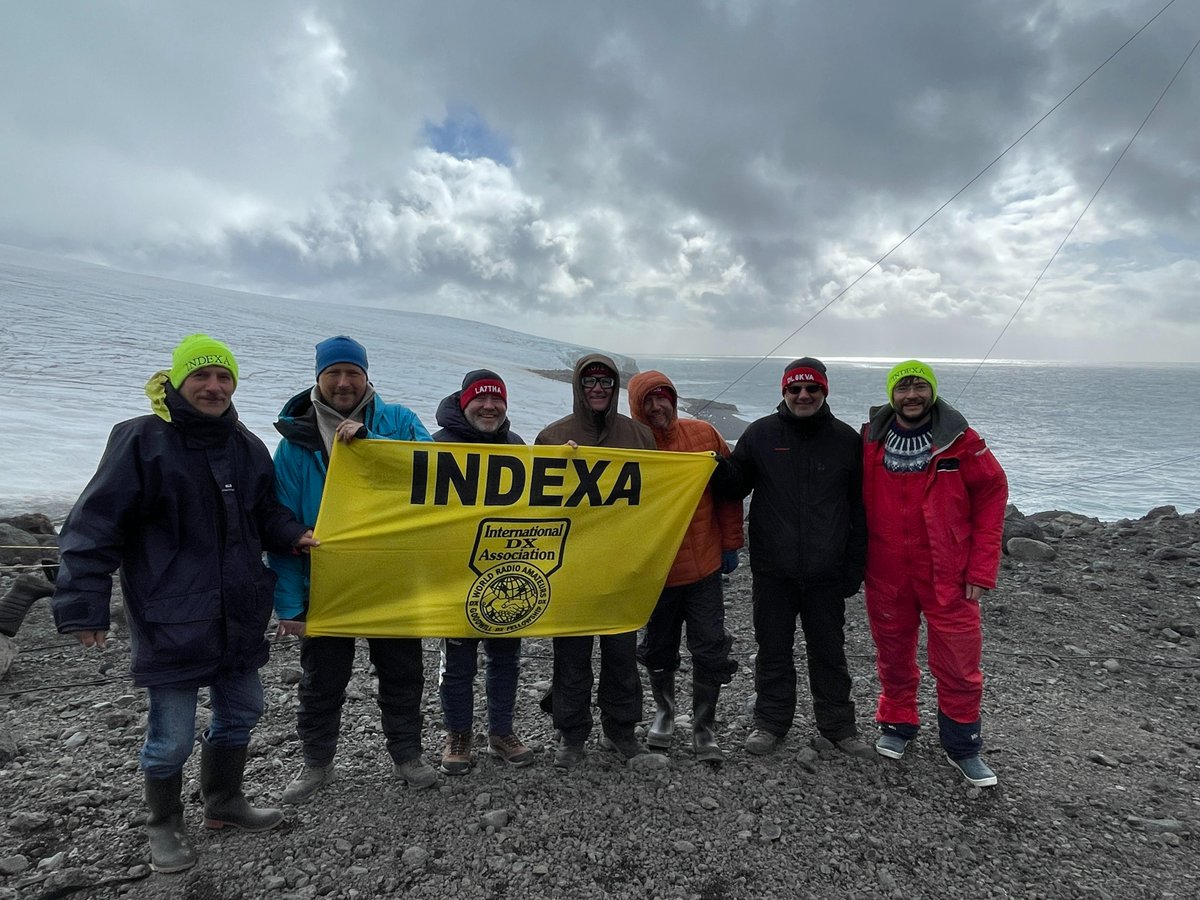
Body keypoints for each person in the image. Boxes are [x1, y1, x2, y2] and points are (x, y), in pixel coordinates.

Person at [51, 334, 317, 874]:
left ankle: (223, 803)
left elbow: (264, 512)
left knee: (243, 710)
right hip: (170, 617)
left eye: (223, 378)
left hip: (239, 613)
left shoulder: (246, 445)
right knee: (170, 738)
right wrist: (85, 604)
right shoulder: (141, 439)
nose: (213, 386)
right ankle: (163, 824)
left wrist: (294, 534)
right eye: (201, 376)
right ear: (177, 380)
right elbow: (94, 525)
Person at [270, 336, 438, 803]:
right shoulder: (294, 442)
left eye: (353, 373)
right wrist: (287, 604)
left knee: (403, 675)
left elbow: (435, 476)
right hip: (323, 584)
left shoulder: (399, 421)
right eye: (333, 373)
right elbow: (281, 526)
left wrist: (374, 446)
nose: (344, 382)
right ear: (318, 379)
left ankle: (408, 755)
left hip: (392, 580)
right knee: (323, 682)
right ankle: (315, 763)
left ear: (367, 377)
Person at [715, 357, 871, 759]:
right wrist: (710, 463)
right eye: (794, 389)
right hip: (773, 572)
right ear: (783, 392)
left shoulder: (846, 440)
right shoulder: (761, 433)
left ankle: (839, 726)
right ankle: (770, 723)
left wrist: (855, 566)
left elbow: (859, 508)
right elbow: (735, 486)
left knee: (829, 653)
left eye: (812, 389)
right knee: (773, 650)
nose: (803, 396)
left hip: (826, 573)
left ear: (824, 391)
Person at [861, 360, 1007, 787]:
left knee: (960, 662)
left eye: (919, 387)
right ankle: (898, 724)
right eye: (903, 387)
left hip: (950, 571)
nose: (911, 395)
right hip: (887, 569)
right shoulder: (869, 440)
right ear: (892, 394)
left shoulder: (961, 440)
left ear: (932, 392)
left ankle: (963, 745)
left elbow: (993, 493)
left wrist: (982, 568)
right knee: (893, 654)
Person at [534, 353, 656, 768]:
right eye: (590, 382)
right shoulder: (552, 438)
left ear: (616, 387)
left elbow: (657, 498)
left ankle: (621, 731)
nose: (599, 389)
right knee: (571, 654)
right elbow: (537, 506)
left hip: (623, 568)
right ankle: (571, 734)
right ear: (577, 387)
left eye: (606, 381)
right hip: (572, 569)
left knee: (622, 653)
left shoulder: (640, 436)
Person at [627, 370, 743, 763]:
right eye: (649, 400)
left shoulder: (704, 434)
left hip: (705, 568)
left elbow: (728, 494)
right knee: (658, 648)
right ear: (636, 406)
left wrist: (731, 543)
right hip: (656, 574)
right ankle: (665, 712)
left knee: (710, 647)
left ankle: (703, 725)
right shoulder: (631, 445)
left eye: (664, 397)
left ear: (674, 399)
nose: (658, 406)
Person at [431, 369, 533, 774]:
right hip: (454, 571)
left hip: (505, 570)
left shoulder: (516, 445)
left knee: (506, 658)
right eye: (480, 399)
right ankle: (458, 734)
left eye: (497, 400)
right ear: (464, 401)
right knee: (457, 661)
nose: (489, 406)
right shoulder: (436, 444)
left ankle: (501, 732)